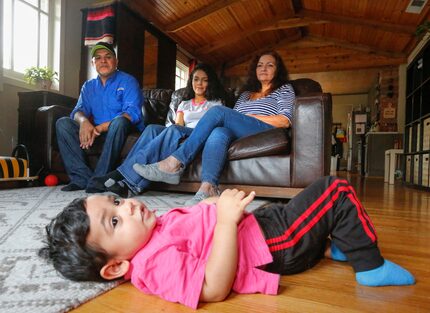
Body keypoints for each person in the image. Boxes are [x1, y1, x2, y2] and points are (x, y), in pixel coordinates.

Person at [39, 176, 415, 309]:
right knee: (334, 189)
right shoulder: (153, 264)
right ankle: (369, 266)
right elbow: (213, 288)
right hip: (274, 243)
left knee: (315, 205)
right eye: (116, 219)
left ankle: (340, 244)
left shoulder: (150, 234)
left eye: (118, 201)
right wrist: (225, 219)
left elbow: (191, 225)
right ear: (117, 266)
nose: (130, 205)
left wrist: (209, 204)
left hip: (262, 227)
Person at [133, 51, 295, 204]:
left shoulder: (284, 90)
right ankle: (208, 187)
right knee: (219, 132)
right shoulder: (246, 94)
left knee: (217, 112)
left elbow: (285, 121)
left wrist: (251, 117)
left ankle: (175, 162)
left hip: (265, 130)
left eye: (270, 65)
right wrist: (241, 119)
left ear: (278, 69)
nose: (263, 68)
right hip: (242, 131)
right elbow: (234, 117)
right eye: (260, 65)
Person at [91, 63, 225, 197]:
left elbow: (212, 126)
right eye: (196, 79)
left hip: (199, 136)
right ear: (191, 81)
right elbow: (179, 125)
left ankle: (120, 174)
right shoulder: (184, 104)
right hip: (182, 134)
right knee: (152, 129)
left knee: (173, 130)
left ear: (210, 83)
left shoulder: (216, 103)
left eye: (204, 80)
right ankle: (128, 185)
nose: (199, 83)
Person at [56, 42, 144, 193]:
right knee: (63, 123)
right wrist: (84, 122)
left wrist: (99, 127)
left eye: (108, 57)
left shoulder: (128, 81)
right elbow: (78, 110)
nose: (103, 60)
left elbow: (133, 113)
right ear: (93, 63)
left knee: (120, 122)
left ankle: (100, 179)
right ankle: (81, 178)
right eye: (98, 58)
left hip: (122, 131)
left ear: (116, 61)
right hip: (99, 134)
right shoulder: (88, 86)